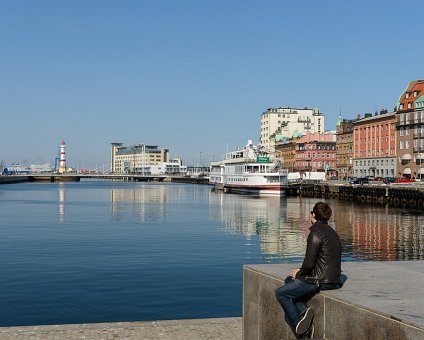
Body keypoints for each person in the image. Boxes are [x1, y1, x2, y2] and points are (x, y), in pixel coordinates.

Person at [275, 202, 342, 339]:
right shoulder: (333, 232)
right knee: (290, 282)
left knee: (281, 293)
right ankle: (303, 312)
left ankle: (301, 330)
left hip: (319, 280)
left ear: (313, 215)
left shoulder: (315, 233)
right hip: (333, 279)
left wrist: (299, 271)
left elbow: (309, 264)